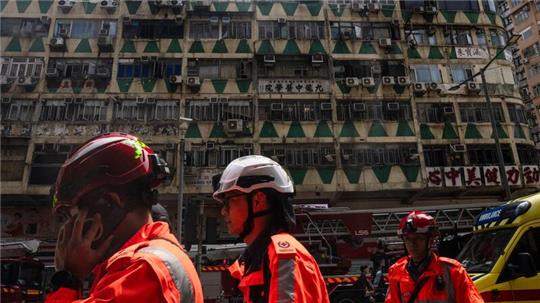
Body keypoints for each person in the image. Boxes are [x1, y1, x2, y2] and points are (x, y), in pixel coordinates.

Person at [45, 132, 203, 303]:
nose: (67, 231)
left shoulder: (143, 270)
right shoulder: (152, 257)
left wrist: (67, 280)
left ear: (108, 204)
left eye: (72, 216)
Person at [212, 155, 329, 303]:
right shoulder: (263, 255)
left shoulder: (282, 256)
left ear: (258, 200)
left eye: (228, 201)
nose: (223, 211)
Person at [385, 211, 484, 303]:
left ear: (431, 240)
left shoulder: (453, 272)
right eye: (407, 239)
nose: (412, 244)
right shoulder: (397, 272)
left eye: (419, 238)